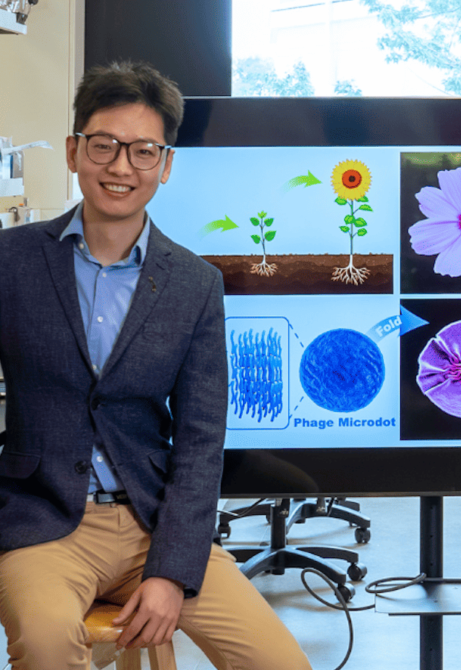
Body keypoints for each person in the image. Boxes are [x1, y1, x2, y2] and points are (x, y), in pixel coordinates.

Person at [0, 62, 313, 670]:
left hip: (154, 522)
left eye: (143, 151)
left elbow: (201, 440)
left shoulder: (195, 283)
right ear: (73, 152)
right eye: (104, 146)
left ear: (165, 165)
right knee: (46, 644)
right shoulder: (10, 261)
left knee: (281, 663)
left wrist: (171, 572)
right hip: (44, 526)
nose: (121, 167)